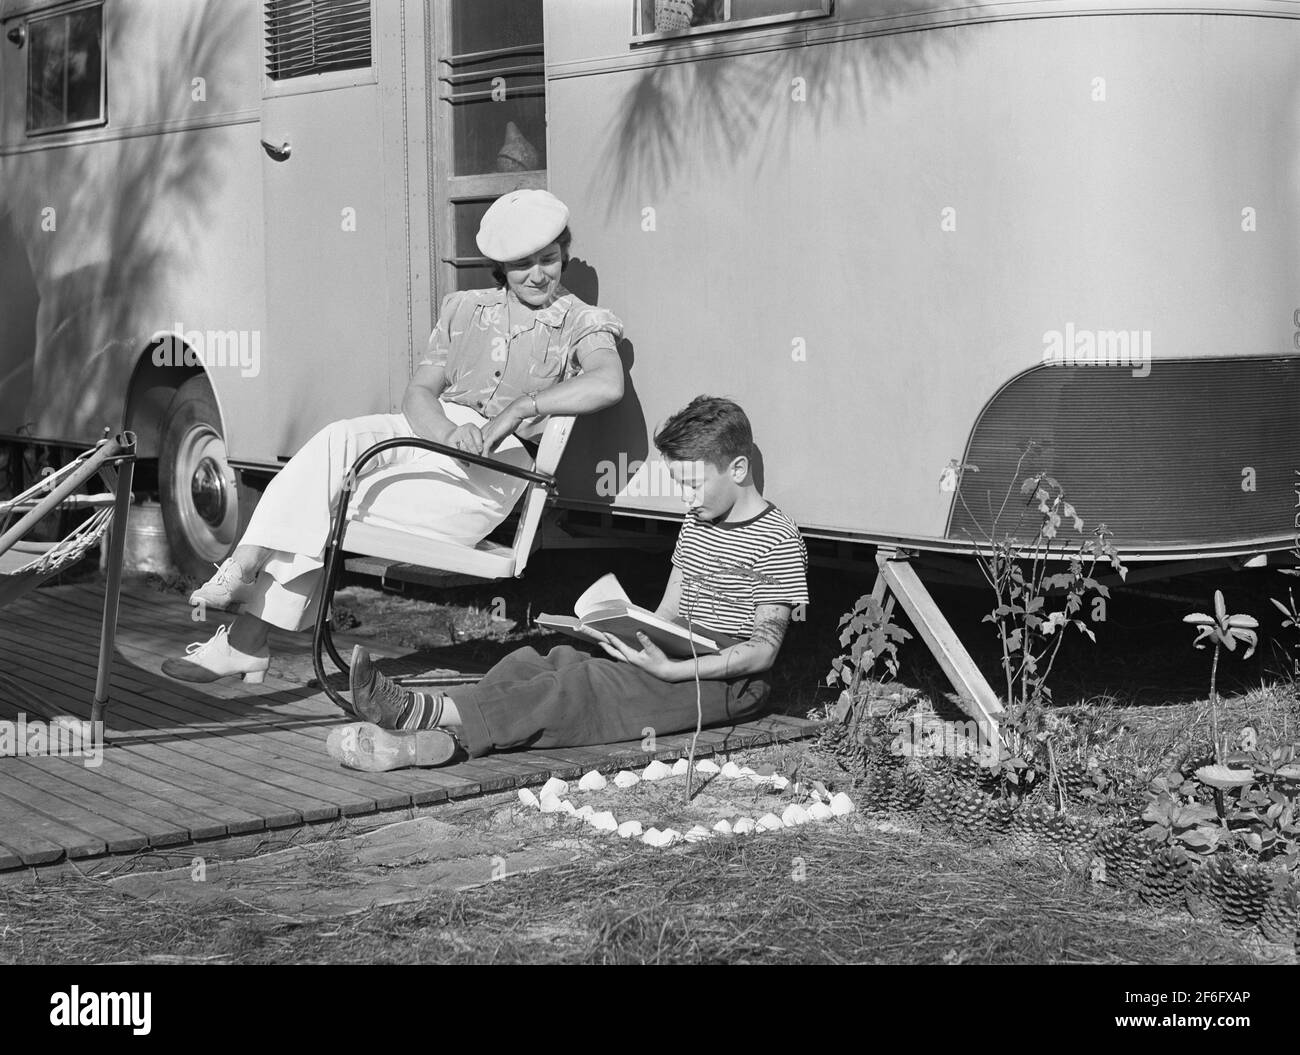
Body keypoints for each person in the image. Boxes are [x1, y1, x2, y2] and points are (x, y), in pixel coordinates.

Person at [162, 190, 624, 684]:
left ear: (564, 256)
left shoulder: (582, 321)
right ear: (500, 269)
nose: (538, 275)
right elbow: (419, 393)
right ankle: (245, 573)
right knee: (337, 441)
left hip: (497, 466)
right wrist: (447, 431)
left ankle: (245, 636)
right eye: (522, 265)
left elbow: (607, 381)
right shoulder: (465, 309)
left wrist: (520, 408)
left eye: (549, 260)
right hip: (430, 429)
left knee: (323, 501)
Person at [324, 396, 809, 771]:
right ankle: (437, 740)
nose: (685, 500)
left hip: (725, 680)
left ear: (738, 469)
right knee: (542, 660)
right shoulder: (698, 524)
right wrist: (622, 632)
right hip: (678, 649)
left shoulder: (777, 540)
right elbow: (667, 613)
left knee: (581, 688)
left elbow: (763, 653)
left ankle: (416, 713)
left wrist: (669, 672)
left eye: (692, 485)